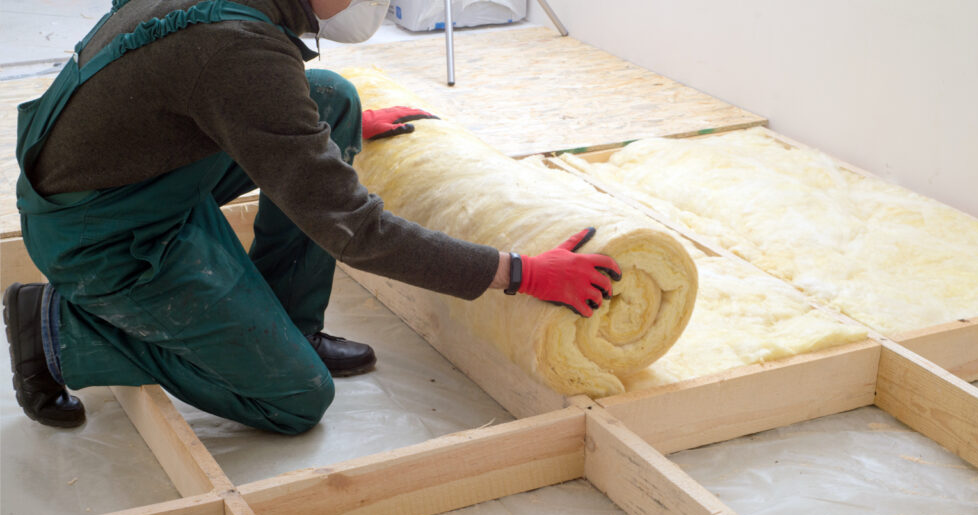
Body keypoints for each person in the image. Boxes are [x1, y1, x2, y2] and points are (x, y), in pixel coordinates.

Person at [4, 0, 620, 433]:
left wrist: (313, 130)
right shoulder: (238, 51)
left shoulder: (239, 19)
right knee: (295, 398)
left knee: (333, 98)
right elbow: (358, 230)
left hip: (128, 175)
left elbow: (215, 89)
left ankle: (294, 325)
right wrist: (522, 273)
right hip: (100, 233)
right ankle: (56, 329)